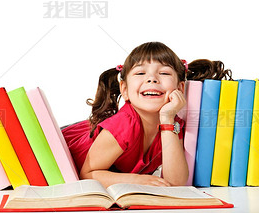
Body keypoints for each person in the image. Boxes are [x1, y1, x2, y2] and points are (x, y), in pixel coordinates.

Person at [62, 41, 232, 188]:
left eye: (164, 73)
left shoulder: (172, 124)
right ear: (125, 90)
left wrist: (167, 120)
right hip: (68, 146)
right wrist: (136, 180)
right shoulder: (123, 125)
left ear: (180, 88)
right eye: (140, 73)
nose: (152, 79)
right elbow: (88, 174)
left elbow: (176, 182)